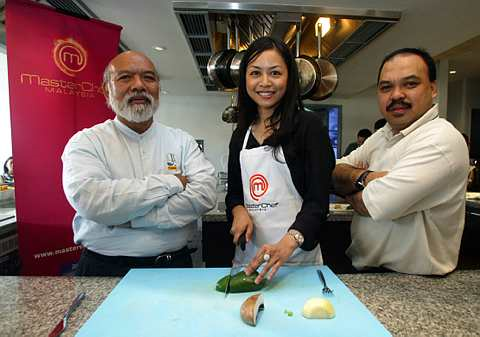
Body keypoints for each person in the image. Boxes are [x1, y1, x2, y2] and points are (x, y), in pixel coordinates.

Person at [62, 51, 217, 276]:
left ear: (157, 88)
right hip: (104, 270)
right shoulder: (86, 141)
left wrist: (130, 220)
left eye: (148, 77)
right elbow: (93, 200)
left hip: (174, 268)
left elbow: (204, 194)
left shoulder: (181, 141)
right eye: (125, 77)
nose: (138, 86)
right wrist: (171, 182)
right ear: (107, 89)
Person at [332, 48, 469, 275]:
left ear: (433, 89)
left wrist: (350, 184)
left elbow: (374, 204)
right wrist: (367, 178)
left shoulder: (440, 139)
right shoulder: (383, 135)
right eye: (386, 87)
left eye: (410, 84)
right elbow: (332, 172)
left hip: (415, 283)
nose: (396, 95)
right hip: (367, 271)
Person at [226, 36, 335, 284]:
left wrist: (289, 242)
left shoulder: (309, 127)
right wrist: (238, 210)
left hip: (296, 259)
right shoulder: (240, 136)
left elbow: (317, 202)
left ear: (289, 78)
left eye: (275, 73)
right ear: (245, 79)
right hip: (250, 259)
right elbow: (233, 194)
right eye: (255, 73)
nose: (265, 82)